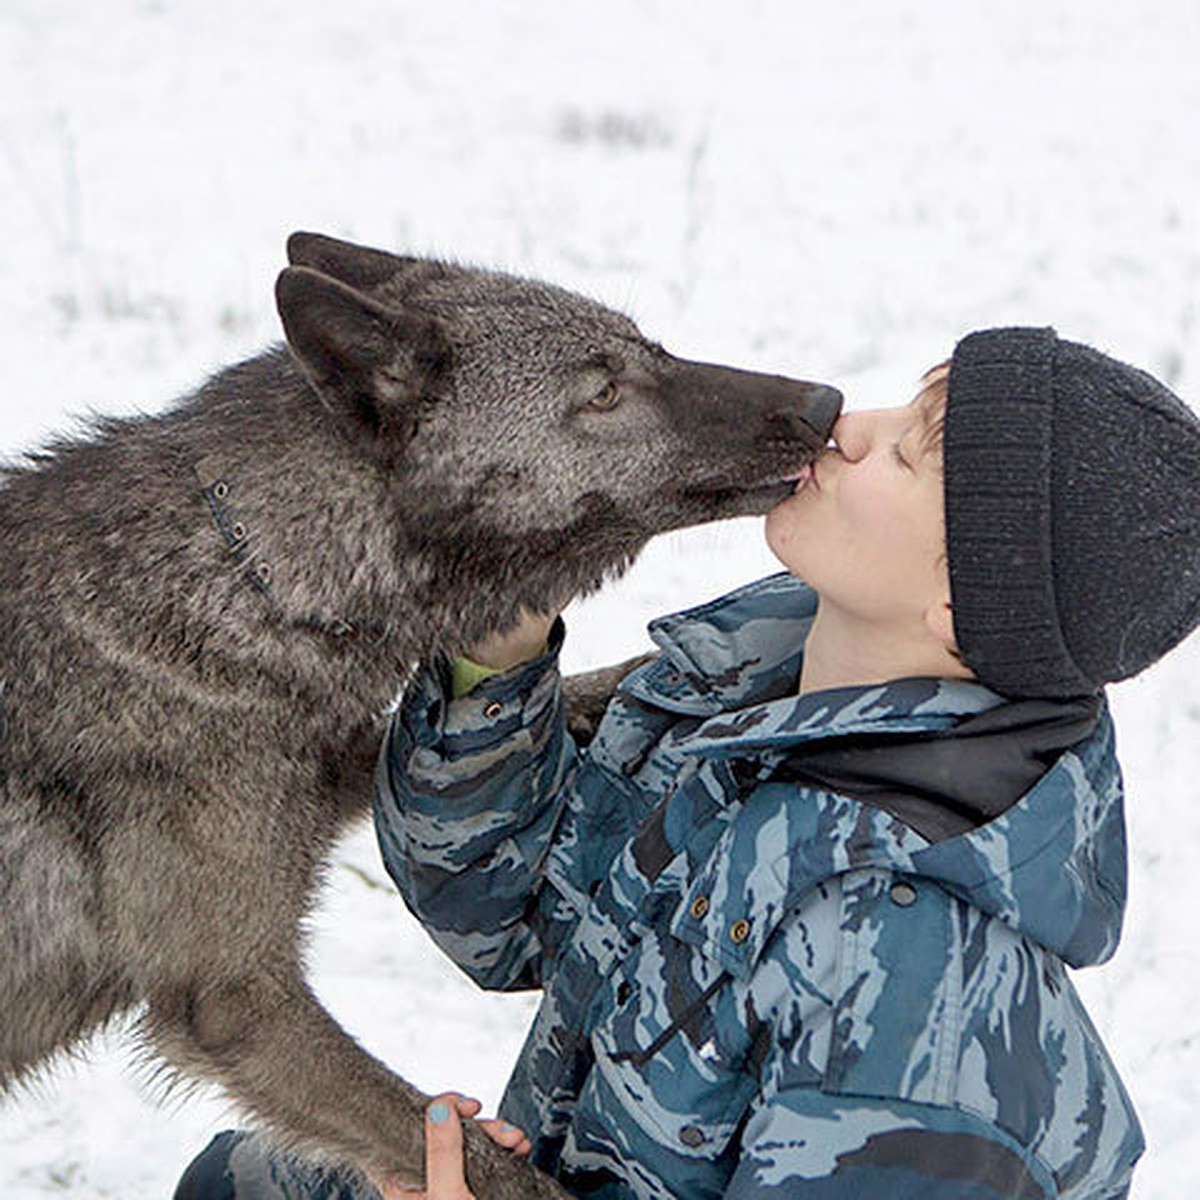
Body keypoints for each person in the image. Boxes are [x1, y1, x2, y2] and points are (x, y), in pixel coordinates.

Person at [177, 327, 1200, 1199]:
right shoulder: (741, 701)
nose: (849, 425)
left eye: (907, 456)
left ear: (967, 604)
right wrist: (500, 655)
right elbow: (504, 911)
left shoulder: (923, 988)